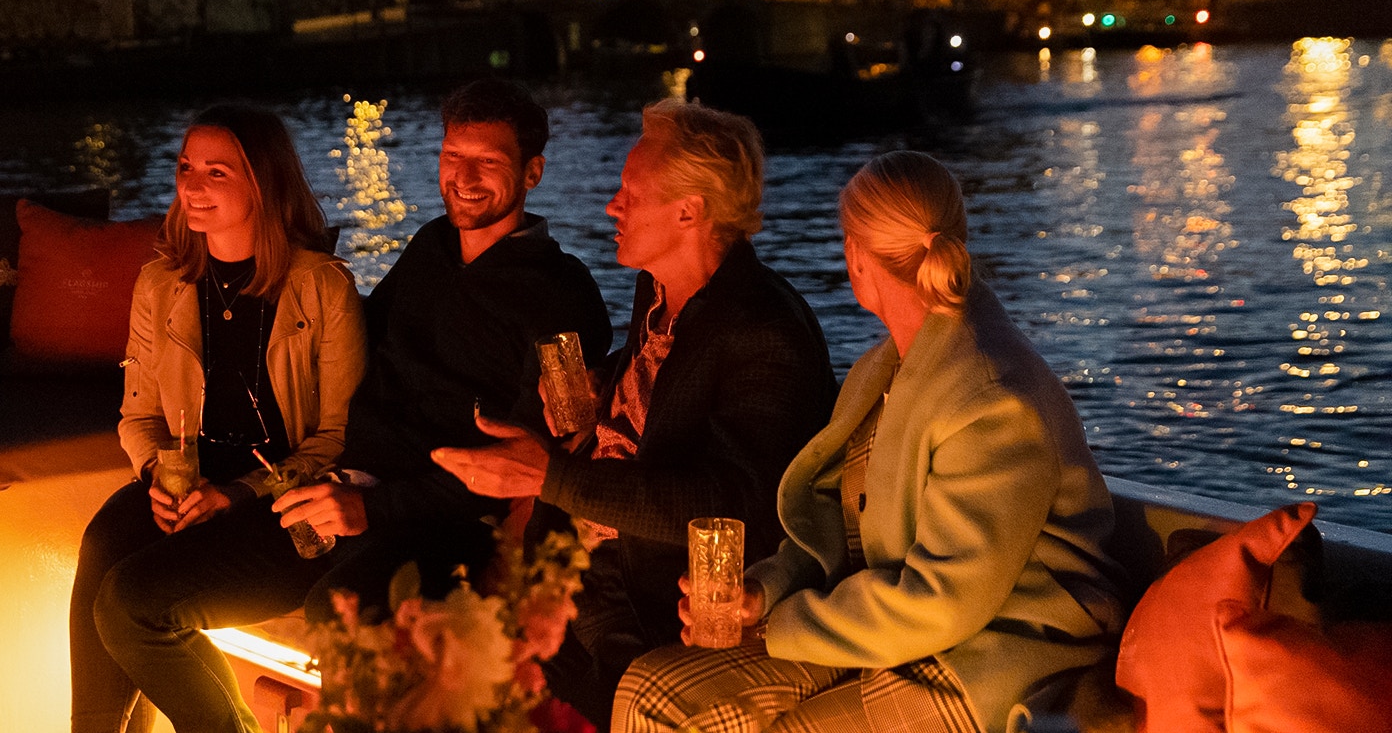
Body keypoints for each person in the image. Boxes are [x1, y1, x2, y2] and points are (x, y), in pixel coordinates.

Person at [612, 150, 1126, 733]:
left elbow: (942, 602)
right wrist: (764, 590)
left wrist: (779, 624)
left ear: (856, 255)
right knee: (650, 691)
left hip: (995, 654)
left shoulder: (992, 398)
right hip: (887, 633)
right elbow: (833, 517)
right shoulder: (880, 372)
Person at [433, 99, 837, 728]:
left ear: (688, 211)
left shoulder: (765, 332)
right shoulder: (660, 289)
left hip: (649, 602)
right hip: (579, 564)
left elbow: (735, 504)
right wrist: (608, 386)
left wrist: (548, 477)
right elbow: (672, 377)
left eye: (629, 192)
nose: (611, 207)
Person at [70, 104, 368, 733]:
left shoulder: (324, 287)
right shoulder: (160, 283)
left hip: (283, 501)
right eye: (185, 168)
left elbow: (337, 438)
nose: (192, 185)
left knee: (130, 604)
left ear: (264, 182)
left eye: (217, 172)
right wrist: (158, 478)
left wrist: (234, 495)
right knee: (104, 543)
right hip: (187, 483)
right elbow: (138, 414)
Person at [277, 78, 612, 609]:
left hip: (445, 521)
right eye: (453, 155)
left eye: (489, 161)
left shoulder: (562, 296)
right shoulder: (431, 245)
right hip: (346, 486)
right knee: (143, 591)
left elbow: (521, 462)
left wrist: (377, 509)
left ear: (533, 173)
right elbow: (357, 336)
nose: (464, 177)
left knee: (332, 611)